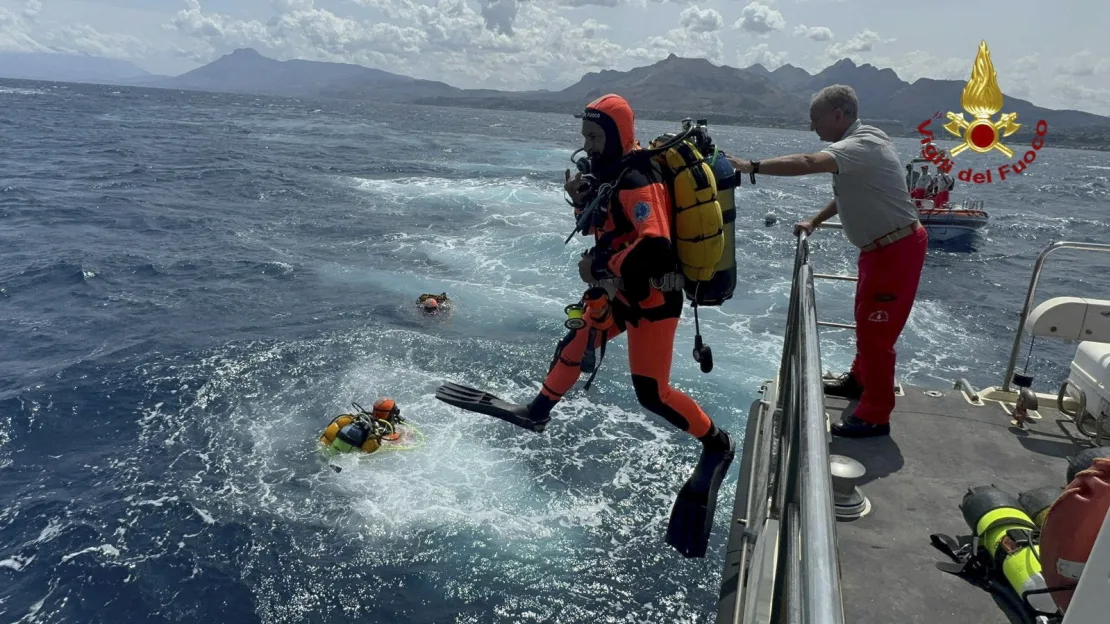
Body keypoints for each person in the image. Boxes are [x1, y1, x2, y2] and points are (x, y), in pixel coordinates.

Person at [436, 93, 735, 559]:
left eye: (596, 137)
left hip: (651, 298)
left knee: (652, 394)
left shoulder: (637, 176)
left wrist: (600, 264)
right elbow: (606, 223)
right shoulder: (611, 173)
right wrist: (580, 202)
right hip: (617, 292)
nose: (589, 146)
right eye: (586, 137)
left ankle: (717, 444)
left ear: (617, 134)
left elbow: (653, 245)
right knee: (578, 338)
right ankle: (537, 411)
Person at [727, 84, 928, 438]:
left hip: (895, 251)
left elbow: (807, 162)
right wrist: (816, 220)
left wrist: (750, 166)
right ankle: (859, 380)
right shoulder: (864, 143)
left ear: (838, 115)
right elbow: (853, 193)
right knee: (867, 324)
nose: (812, 128)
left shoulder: (862, 145)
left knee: (877, 335)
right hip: (881, 250)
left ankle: (875, 415)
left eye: (814, 119)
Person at [320, 398, 405, 453]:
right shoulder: (382, 430)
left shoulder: (360, 418)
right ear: (392, 412)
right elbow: (401, 441)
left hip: (330, 450)